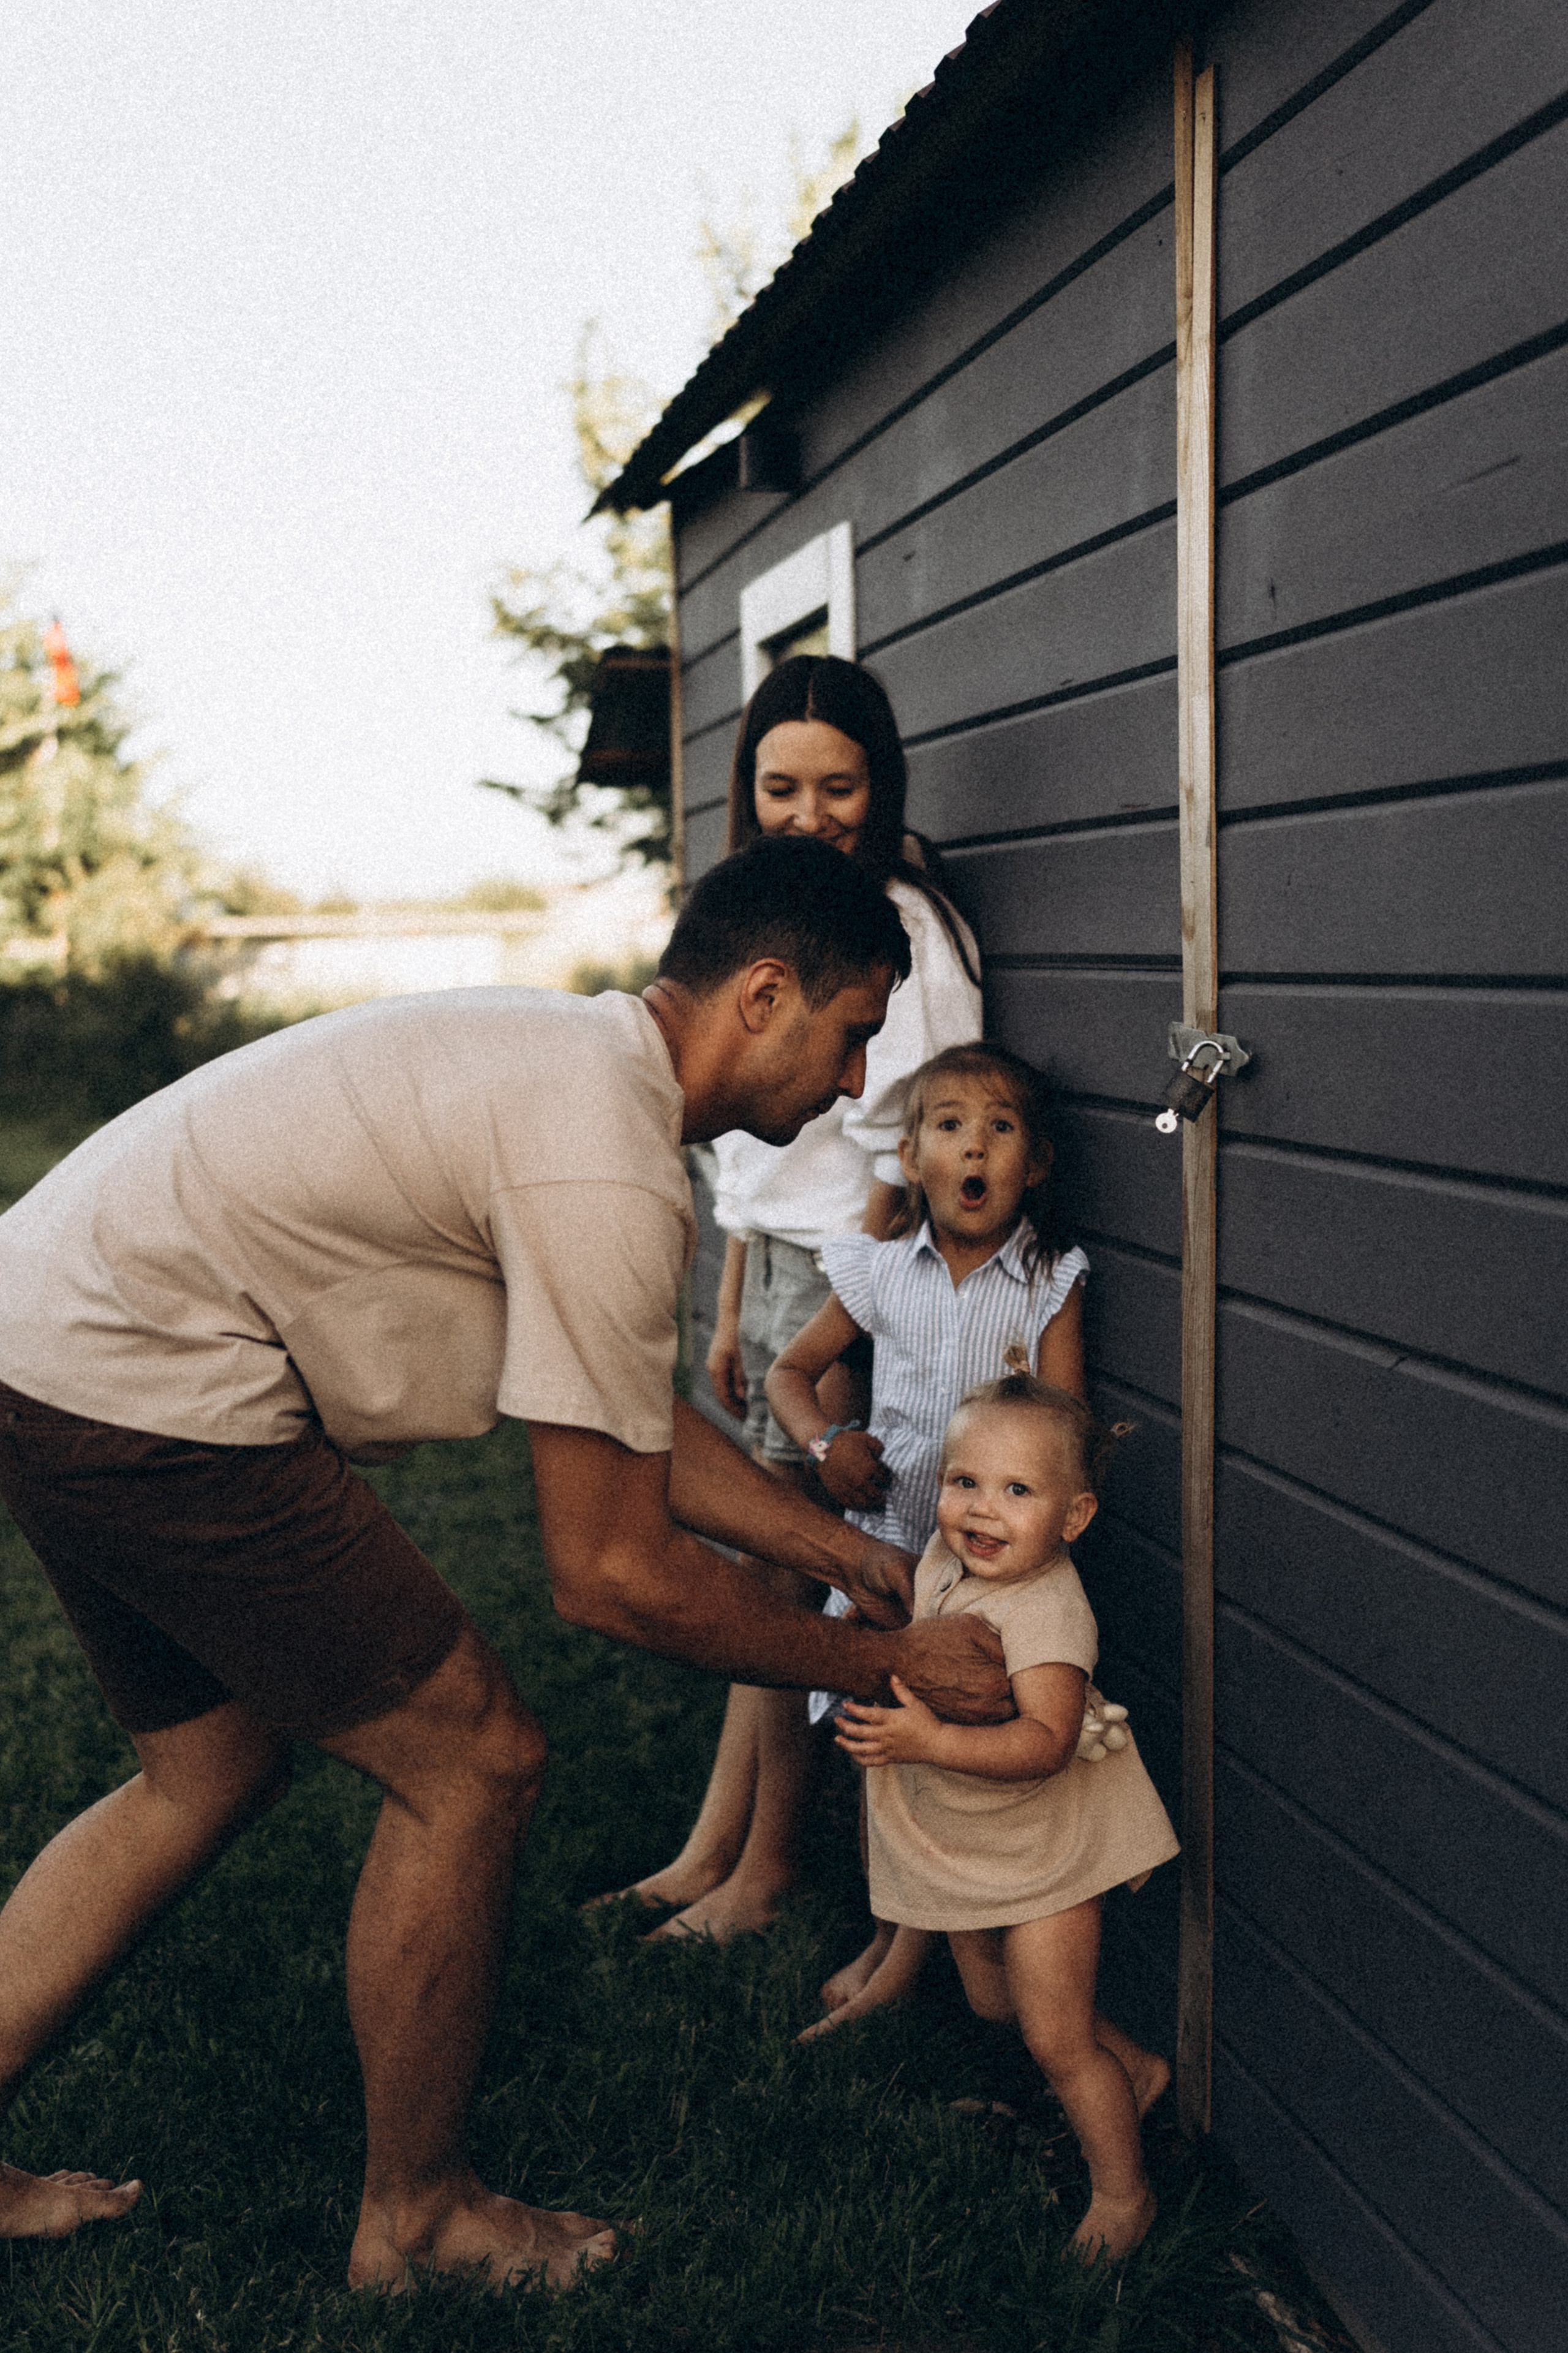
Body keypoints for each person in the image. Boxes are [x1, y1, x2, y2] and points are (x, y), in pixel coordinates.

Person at [0, 836, 1014, 2289]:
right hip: (143, 1381)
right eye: (851, 1034)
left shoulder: (577, 1074)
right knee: (471, 1759)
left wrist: (832, 1548)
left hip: (43, 1343)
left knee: (207, 1766)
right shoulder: (602, 1151)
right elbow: (609, 1570)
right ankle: (417, 2220)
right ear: (763, 996)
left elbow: (622, 1408)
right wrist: (884, 1663)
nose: (857, 1082)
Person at [598, 655, 983, 1945]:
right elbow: (745, 1156)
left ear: (882, 787)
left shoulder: (895, 932)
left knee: (781, 1580)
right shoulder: (761, 919)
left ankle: (764, 1873)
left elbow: (906, 1153)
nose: (809, 814)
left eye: (838, 787)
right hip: (766, 1265)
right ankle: (711, 1848)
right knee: (757, 1566)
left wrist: (833, 1328)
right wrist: (725, 1311)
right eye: (780, 788)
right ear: (745, 790)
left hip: (841, 1280)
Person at [766, 1041, 1092, 2037]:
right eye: (950, 1126)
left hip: (985, 1569)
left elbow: (1066, 1428)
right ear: (911, 1157)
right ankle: (889, 1936)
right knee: (881, 1756)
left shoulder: (1047, 1281)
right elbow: (789, 1374)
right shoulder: (880, 1272)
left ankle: (903, 1963)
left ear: (1034, 1163)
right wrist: (827, 1445)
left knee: (941, 1763)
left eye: (1000, 1128)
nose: (974, 1147)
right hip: (887, 1547)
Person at [834, 1369, 1179, 2264]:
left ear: (1074, 1517)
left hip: (1048, 1851)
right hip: (981, 1842)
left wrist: (930, 1740)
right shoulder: (947, 1559)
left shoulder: (1049, 1612)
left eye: (1018, 1491)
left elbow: (1047, 1741)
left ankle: (1124, 2193)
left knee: (1056, 2038)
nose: (983, 1510)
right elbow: (928, 1620)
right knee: (994, 1997)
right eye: (966, 1481)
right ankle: (1136, 2070)